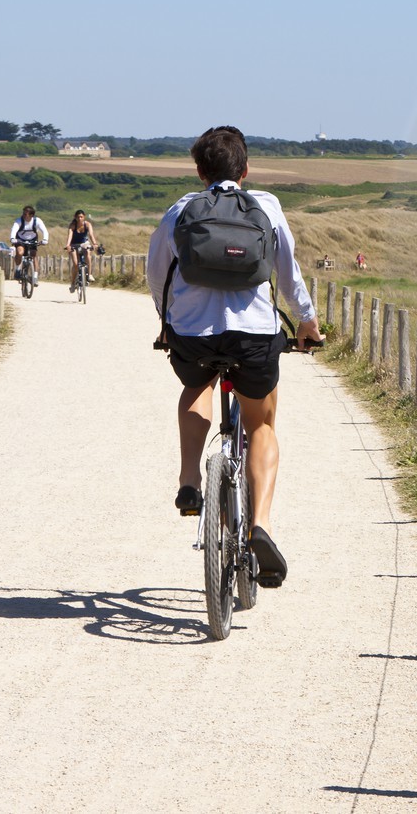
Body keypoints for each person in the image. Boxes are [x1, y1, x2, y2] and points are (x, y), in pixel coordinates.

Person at [148, 126, 321, 588]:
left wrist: (168, 321)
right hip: (254, 337)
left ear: (200, 170)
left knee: (196, 385)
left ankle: (190, 480)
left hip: (192, 335)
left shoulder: (181, 209)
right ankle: (260, 524)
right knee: (262, 424)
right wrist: (307, 322)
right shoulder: (266, 206)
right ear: (245, 170)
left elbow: (156, 273)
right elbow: (288, 270)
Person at [8, 205, 48, 278]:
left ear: (31, 215)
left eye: (25, 214)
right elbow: (14, 230)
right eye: (23, 213)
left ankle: (35, 277)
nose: (23, 215)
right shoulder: (19, 220)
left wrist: (45, 239)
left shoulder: (37, 221)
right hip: (20, 239)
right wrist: (12, 238)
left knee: (34, 255)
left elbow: (44, 231)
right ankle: (17, 269)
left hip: (32, 239)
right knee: (20, 252)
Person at [65, 209, 98, 291]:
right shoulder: (73, 225)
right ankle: (73, 283)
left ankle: (89, 274)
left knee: (88, 252)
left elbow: (91, 235)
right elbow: (70, 236)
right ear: (75, 217)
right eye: (78, 217)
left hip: (84, 243)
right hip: (74, 244)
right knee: (76, 264)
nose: (80, 219)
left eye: (81, 217)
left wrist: (94, 243)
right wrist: (68, 245)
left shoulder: (87, 224)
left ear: (84, 217)